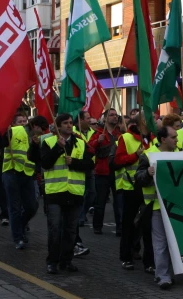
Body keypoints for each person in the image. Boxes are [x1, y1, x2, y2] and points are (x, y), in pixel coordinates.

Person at [41, 113, 95, 274]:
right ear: (58, 126)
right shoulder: (49, 142)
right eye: (65, 123)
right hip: (55, 193)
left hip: (74, 193)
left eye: (71, 123)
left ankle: (66, 260)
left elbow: (89, 165)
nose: (69, 125)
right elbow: (44, 163)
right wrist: (58, 148)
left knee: (71, 230)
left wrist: (74, 162)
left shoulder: (80, 143)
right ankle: (52, 261)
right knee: (55, 229)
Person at [136, 125, 183, 289]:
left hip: (176, 206)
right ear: (163, 139)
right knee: (160, 243)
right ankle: (163, 276)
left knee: (174, 242)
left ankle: (168, 273)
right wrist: (147, 173)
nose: (177, 140)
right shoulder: (148, 156)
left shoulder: (180, 153)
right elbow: (138, 179)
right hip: (156, 206)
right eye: (174, 137)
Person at [1, 115, 47, 250]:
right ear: (35, 126)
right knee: (14, 207)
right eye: (42, 129)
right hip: (11, 172)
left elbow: (37, 159)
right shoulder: (15, 131)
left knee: (32, 206)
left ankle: (19, 227)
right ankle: (18, 238)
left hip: (28, 174)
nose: (43, 132)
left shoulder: (38, 139)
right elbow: (0, 142)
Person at [114, 114, 151, 271]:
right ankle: (126, 256)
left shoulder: (153, 138)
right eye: (147, 120)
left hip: (148, 187)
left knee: (147, 224)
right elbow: (118, 161)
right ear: (139, 123)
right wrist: (135, 155)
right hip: (131, 186)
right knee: (128, 224)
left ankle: (145, 258)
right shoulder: (126, 138)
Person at [88, 108, 123, 235]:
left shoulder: (120, 134)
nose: (115, 117)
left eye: (116, 115)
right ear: (105, 118)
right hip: (102, 172)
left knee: (119, 202)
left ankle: (120, 227)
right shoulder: (98, 133)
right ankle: (97, 226)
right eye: (111, 115)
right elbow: (89, 148)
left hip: (117, 172)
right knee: (100, 202)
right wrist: (98, 141)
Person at [76, 111, 96, 228]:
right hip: (78, 167)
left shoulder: (94, 133)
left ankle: (82, 213)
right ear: (81, 120)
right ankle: (80, 216)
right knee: (81, 194)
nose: (89, 120)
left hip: (90, 167)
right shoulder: (73, 132)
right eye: (87, 118)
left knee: (92, 193)